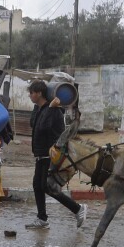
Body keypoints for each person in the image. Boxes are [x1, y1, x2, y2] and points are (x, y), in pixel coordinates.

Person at [25, 79, 87, 230]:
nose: (30, 96)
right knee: (37, 186)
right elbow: (33, 123)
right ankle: (42, 218)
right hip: (41, 155)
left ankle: (78, 209)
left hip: (51, 156)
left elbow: (43, 127)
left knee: (48, 187)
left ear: (39, 93)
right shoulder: (42, 108)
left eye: (31, 93)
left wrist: (50, 108)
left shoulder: (55, 111)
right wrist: (38, 107)